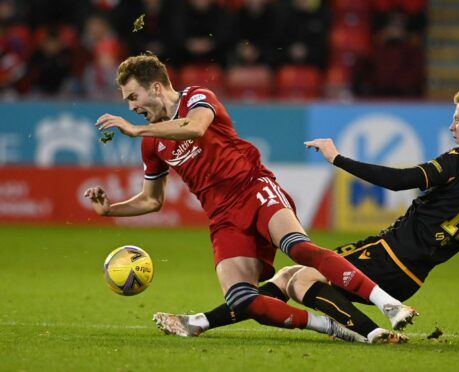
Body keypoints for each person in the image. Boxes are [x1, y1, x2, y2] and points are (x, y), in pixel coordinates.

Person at [83, 52, 415, 344]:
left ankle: (389, 304)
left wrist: (136, 128)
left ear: (155, 87)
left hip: (254, 189)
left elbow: (195, 128)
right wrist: (110, 209)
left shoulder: (197, 97)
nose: (131, 107)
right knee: (242, 299)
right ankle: (327, 325)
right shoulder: (152, 143)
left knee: (300, 249)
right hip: (222, 217)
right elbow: (151, 200)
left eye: (133, 97)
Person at [153, 88, 459, 342]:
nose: (453, 126)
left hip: (388, 255)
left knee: (298, 277)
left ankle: (369, 333)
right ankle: (202, 320)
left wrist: (338, 159)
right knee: (288, 275)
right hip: (413, 276)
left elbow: (401, 180)